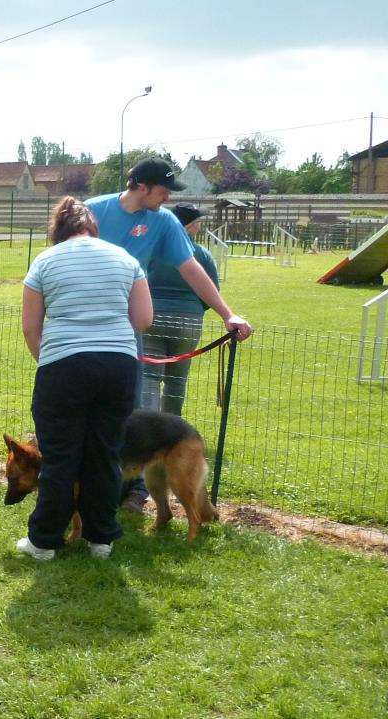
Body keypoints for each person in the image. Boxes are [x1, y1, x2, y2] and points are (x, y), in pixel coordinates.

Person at [86, 157, 251, 513]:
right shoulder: (93, 212)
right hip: (83, 330)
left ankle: (131, 493)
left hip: (125, 335)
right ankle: (82, 491)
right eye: (162, 190)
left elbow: (191, 268)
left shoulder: (162, 222)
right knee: (84, 412)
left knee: (131, 414)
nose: (166, 198)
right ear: (140, 186)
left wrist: (227, 313)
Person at [16, 196, 153, 560]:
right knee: (105, 454)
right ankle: (101, 539)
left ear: (57, 232)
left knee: (60, 457)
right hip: (118, 366)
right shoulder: (126, 259)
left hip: (63, 366)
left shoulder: (45, 261)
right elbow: (143, 320)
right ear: (92, 227)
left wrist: (49, 360)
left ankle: (44, 542)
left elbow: (31, 327)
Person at [140, 203, 219, 415]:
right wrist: (194, 309)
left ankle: (151, 427)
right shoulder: (202, 255)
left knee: (149, 376)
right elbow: (212, 292)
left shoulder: (151, 251)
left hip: (151, 317)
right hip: (188, 319)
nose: (199, 226)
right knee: (177, 379)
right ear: (190, 227)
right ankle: (172, 430)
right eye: (197, 222)